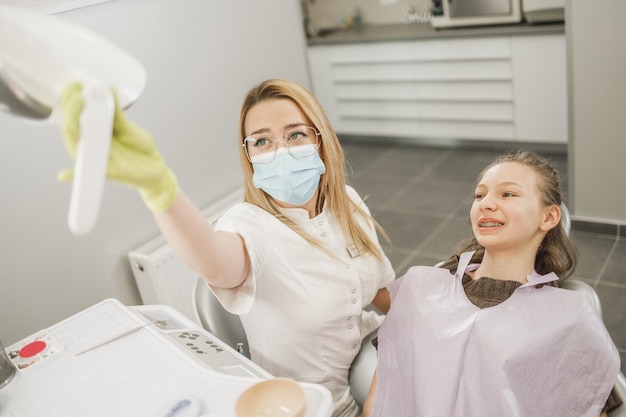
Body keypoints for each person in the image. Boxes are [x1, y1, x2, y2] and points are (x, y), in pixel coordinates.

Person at [59, 79, 395, 417]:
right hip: (310, 406)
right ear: (249, 155)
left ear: (320, 141)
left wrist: (429, 310)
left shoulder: (347, 203)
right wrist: (159, 190)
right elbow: (215, 263)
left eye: (296, 134)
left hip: (375, 369)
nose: (281, 150)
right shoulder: (248, 226)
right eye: (262, 141)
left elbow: (380, 291)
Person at [362, 150, 621, 417]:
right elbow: (378, 401)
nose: (486, 203)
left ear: (549, 217)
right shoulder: (422, 288)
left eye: (508, 194)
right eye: (479, 195)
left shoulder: (568, 318)